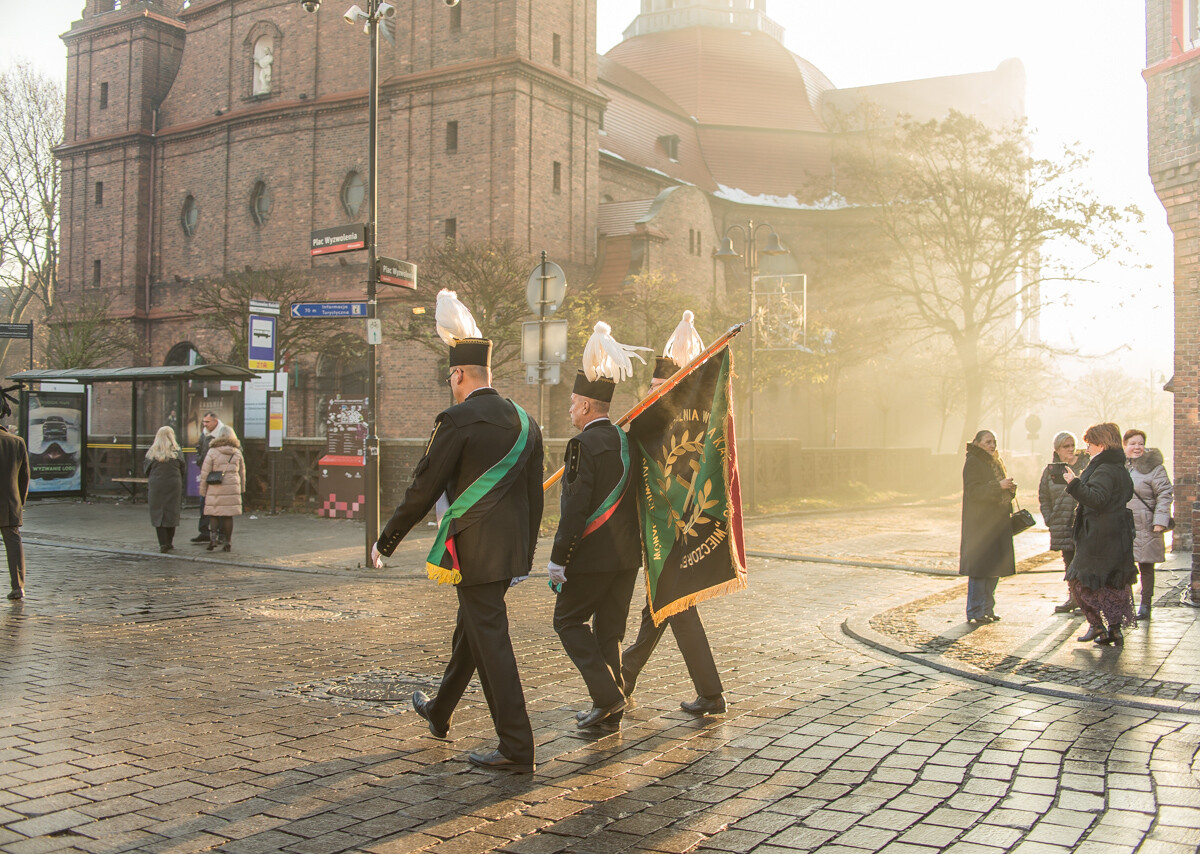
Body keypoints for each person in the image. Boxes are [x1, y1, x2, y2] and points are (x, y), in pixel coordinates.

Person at [372, 289, 543, 774]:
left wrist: (387, 540)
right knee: (472, 633)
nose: (450, 385)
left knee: (492, 644)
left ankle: (517, 747)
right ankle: (439, 711)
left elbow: (422, 489)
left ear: (460, 375)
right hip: (509, 552)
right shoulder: (526, 422)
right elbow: (535, 499)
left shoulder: (456, 419)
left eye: (451, 378)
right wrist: (525, 557)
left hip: (472, 552)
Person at [621, 311, 726, 716]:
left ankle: (711, 695)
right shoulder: (650, 424)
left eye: (657, 387)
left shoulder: (671, 427)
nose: (649, 393)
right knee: (662, 607)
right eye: (648, 387)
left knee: (675, 607)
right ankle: (628, 674)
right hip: (660, 535)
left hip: (674, 535)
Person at [549, 321, 647, 732]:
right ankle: (610, 708)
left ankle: (608, 696)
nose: (569, 410)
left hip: (589, 557)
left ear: (587, 406)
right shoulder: (628, 441)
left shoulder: (581, 445)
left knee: (567, 622)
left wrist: (558, 560)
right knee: (609, 632)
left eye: (573, 403)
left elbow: (574, 509)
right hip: (626, 557)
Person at [1063, 422, 1137, 646]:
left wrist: (1073, 483)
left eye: (1090, 445)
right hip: (1116, 534)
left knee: (1079, 579)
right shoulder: (1118, 467)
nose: (1087, 449)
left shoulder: (1104, 468)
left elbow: (1097, 499)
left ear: (1102, 445)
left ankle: (1097, 626)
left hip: (1098, 535)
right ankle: (1113, 630)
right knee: (1112, 581)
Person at [959, 429, 1016, 624]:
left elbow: (996, 490)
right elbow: (974, 491)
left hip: (997, 524)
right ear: (977, 443)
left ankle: (987, 609)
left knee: (994, 569)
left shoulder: (995, 462)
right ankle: (975, 611)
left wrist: (1008, 490)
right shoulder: (973, 462)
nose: (992, 445)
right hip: (980, 525)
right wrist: (998, 486)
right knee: (980, 570)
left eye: (994, 442)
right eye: (988, 442)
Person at [1038, 431, 1090, 614]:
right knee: (1068, 562)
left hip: (1082, 522)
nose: (1070, 449)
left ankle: (1085, 599)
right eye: (1065, 446)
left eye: (1071, 445)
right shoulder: (1052, 471)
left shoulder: (1085, 465)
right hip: (1061, 522)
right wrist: (1049, 517)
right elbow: (1044, 496)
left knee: (1083, 561)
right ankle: (1074, 597)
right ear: (1057, 449)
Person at [1124, 428, 1173, 621]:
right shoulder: (1120, 467)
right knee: (1123, 567)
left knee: (1146, 567)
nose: (1137, 447)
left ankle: (1145, 605)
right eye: (1133, 443)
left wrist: (1160, 521)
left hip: (1146, 524)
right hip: (1124, 525)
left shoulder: (1155, 468)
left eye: (1140, 443)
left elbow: (1164, 494)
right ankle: (1125, 604)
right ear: (1124, 445)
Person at [0, 386, 30, 601]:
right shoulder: (16, 442)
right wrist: (20, 501)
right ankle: (18, 586)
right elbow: (24, 477)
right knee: (13, 543)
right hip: (10, 502)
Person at [198, 424, 245, 552]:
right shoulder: (237, 452)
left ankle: (213, 539)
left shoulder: (212, 451)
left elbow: (205, 472)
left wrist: (202, 490)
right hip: (231, 487)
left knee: (214, 513)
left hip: (215, 486)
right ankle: (228, 541)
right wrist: (241, 489)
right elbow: (242, 472)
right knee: (228, 516)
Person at [144, 426, 187, 553]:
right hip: (173, 485)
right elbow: (183, 469)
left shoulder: (152, 453)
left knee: (158, 512)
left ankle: (162, 543)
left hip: (157, 485)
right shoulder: (177, 452)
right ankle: (169, 542)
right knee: (172, 512)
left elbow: (146, 470)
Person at [191, 412, 224, 544]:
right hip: (205, 472)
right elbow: (199, 447)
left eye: (207, 422)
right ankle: (204, 531)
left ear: (215, 421)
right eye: (204, 422)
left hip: (216, 475)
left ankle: (221, 533)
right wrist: (199, 459)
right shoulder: (204, 434)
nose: (205, 424)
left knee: (218, 505)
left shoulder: (222, 433)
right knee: (203, 502)